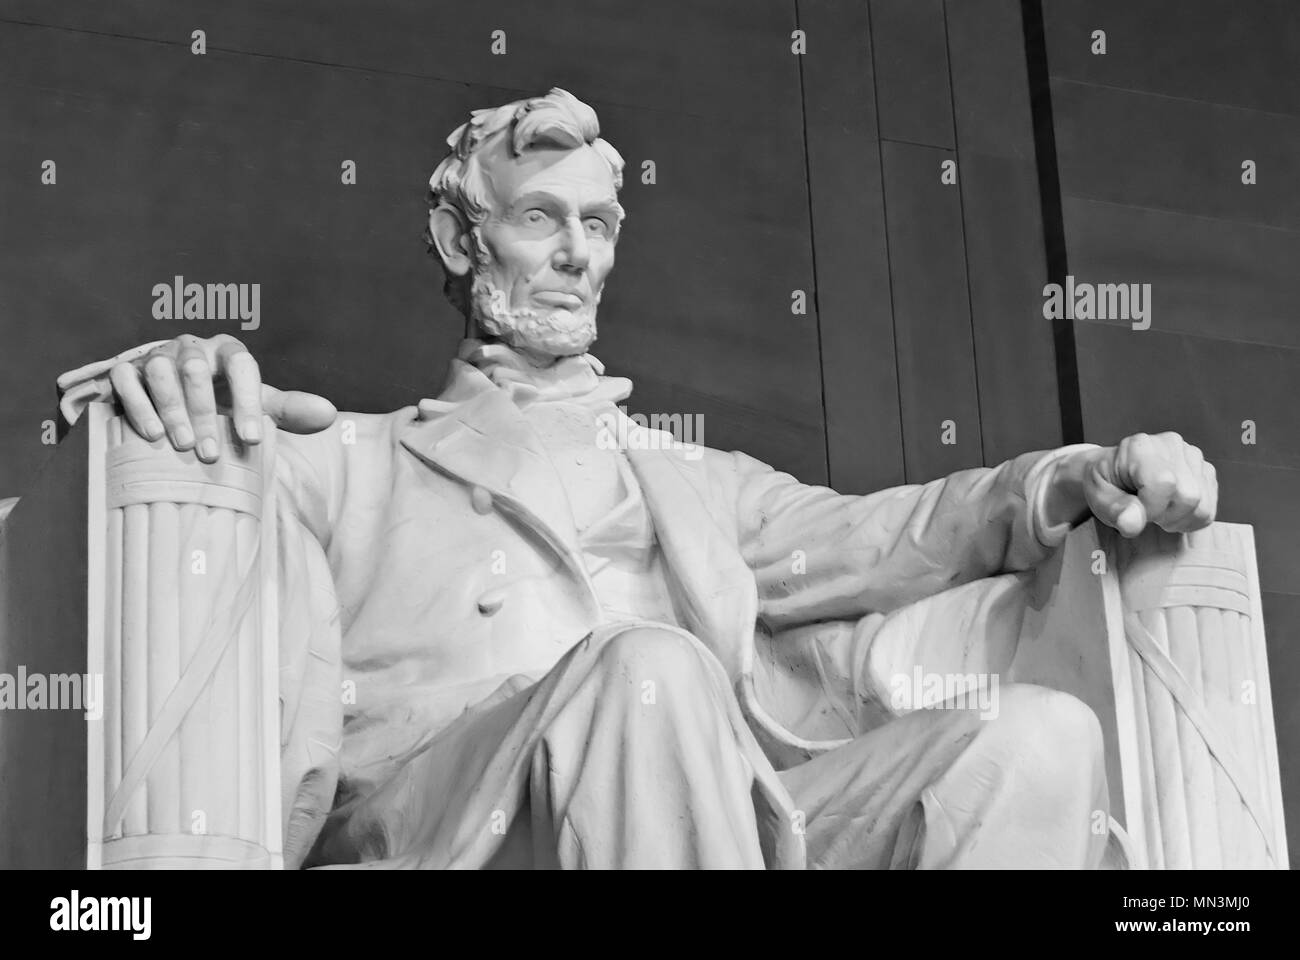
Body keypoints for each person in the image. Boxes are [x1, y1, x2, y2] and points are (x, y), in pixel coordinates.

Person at [57, 89, 1218, 869]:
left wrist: (1069, 478)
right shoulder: (346, 461)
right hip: (459, 823)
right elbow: (158, 499)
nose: (576, 254)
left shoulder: (687, 476)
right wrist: (169, 380)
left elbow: (893, 533)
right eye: (541, 220)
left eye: (600, 225)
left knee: (1040, 737)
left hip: (712, 817)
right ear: (466, 243)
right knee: (645, 670)